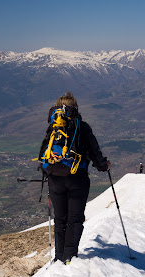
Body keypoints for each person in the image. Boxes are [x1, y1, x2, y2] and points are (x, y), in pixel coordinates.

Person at [39, 92, 110, 264]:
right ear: (75, 108)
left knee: (60, 218)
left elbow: (43, 154)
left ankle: (59, 256)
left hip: (55, 178)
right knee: (75, 218)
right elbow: (95, 153)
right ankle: (69, 257)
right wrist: (104, 165)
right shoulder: (82, 127)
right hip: (77, 178)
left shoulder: (53, 127)